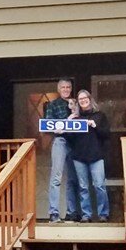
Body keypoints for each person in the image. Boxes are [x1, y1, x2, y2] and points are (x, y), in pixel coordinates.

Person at [68, 90, 111, 222]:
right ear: (78, 102)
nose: (83, 100)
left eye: (85, 98)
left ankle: (103, 214)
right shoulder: (75, 118)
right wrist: (68, 122)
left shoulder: (99, 115)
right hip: (79, 156)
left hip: (96, 155)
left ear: (90, 99)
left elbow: (106, 134)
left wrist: (95, 126)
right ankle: (86, 215)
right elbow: (70, 138)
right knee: (83, 187)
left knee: (99, 185)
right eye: (80, 99)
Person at [42, 78, 82, 222]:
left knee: (73, 178)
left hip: (75, 142)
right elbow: (48, 125)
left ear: (71, 89)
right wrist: (64, 123)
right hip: (60, 141)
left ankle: (72, 212)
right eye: (63, 87)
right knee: (56, 177)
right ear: (59, 89)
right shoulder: (53, 105)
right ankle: (54, 213)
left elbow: (82, 122)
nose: (66, 89)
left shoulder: (76, 104)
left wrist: (74, 114)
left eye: (68, 87)